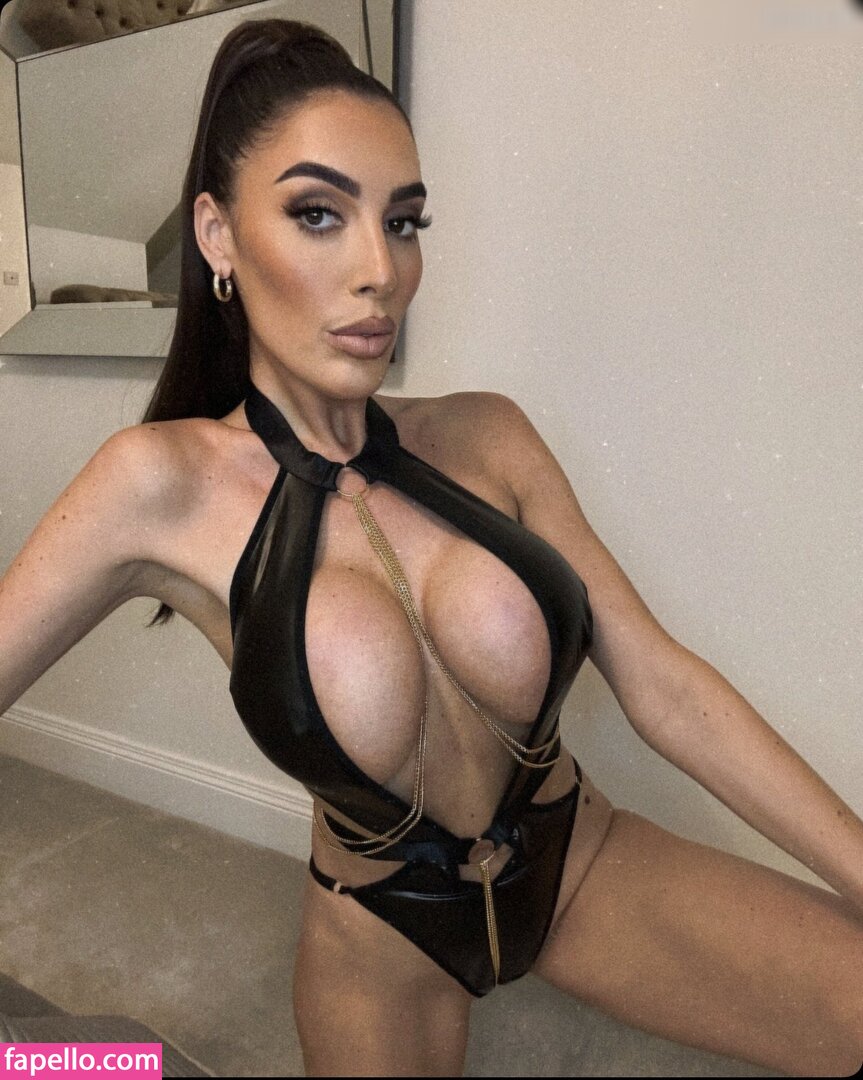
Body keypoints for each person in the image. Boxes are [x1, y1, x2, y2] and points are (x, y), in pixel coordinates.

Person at [1, 18, 861, 1078]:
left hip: (575, 862)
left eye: (402, 222)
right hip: (380, 933)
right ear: (217, 237)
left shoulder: (490, 435)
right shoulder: (157, 484)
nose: (380, 270)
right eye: (317, 214)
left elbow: (665, 688)